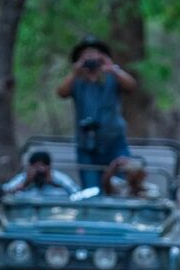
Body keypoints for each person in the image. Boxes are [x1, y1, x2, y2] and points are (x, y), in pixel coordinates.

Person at [56, 35, 137, 189]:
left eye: (94, 53)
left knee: (121, 187)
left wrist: (111, 68)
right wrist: (75, 72)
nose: (91, 57)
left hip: (115, 144)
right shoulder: (76, 81)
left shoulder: (112, 78)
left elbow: (132, 86)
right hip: (86, 146)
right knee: (91, 191)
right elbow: (61, 92)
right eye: (86, 54)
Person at [1, 151, 79, 195]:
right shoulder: (24, 177)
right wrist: (26, 183)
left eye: (42, 166)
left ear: (49, 167)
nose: (39, 171)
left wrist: (54, 183)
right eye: (35, 167)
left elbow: (75, 192)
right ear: (30, 167)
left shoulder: (58, 177)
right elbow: (5, 191)